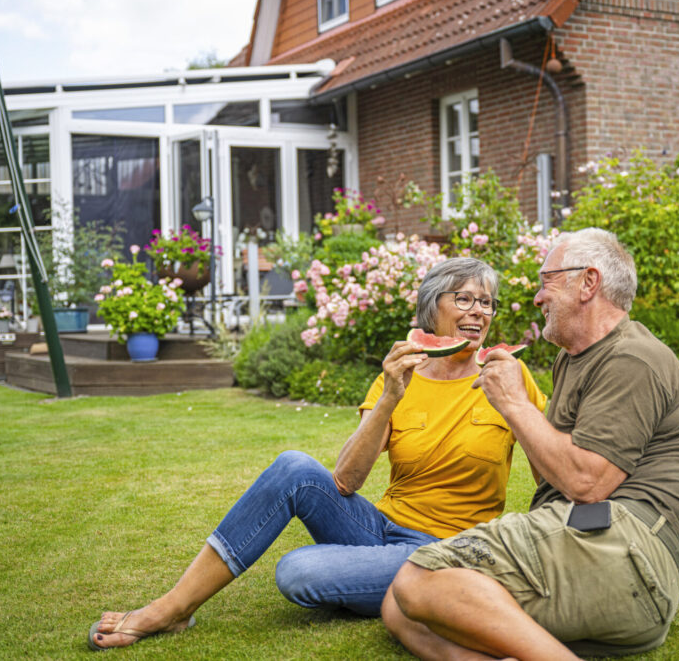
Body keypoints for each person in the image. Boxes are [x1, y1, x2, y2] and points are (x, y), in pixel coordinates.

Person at [87, 257, 546, 650]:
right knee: (294, 466)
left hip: (443, 550)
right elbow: (346, 480)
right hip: (380, 526)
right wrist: (390, 396)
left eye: (486, 302)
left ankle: (387, 582)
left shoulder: (508, 374)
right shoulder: (402, 374)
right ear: (433, 310)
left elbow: (549, 464)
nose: (478, 311)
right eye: (463, 299)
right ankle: (173, 607)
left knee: (298, 572)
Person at [382, 228, 679, 659]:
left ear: (588, 282)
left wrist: (514, 404)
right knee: (398, 608)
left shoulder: (632, 358)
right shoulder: (574, 358)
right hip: (591, 541)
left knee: (416, 580)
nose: (537, 297)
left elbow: (587, 483)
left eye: (547, 280)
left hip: (630, 555)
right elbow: (553, 473)